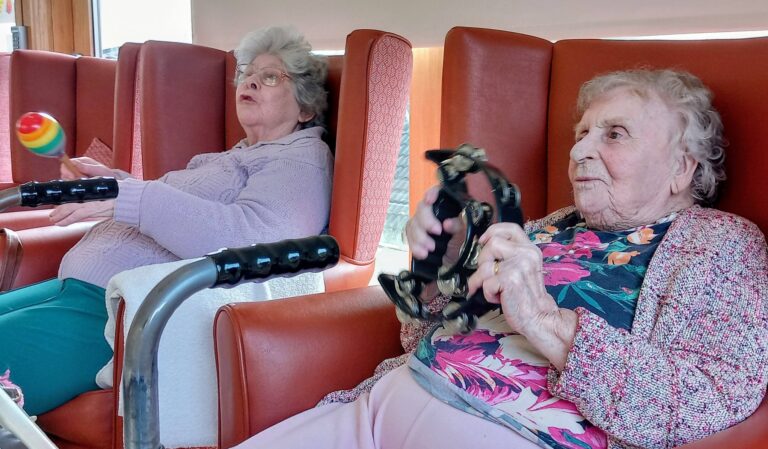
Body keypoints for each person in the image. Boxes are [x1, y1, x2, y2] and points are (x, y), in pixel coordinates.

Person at [233, 69, 768, 449]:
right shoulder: (549, 226)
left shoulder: (719, 245)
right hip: (375, 409)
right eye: (581, 135)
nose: (580, 152)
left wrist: (546, 321)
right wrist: (433, 268)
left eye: (615, 135)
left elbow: (708, 398)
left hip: (511, 430)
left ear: (681, 168)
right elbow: (423, 336)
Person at [0, 25, 333, 417]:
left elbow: (252, 241)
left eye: (271, 76)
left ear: (306, 108)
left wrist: (130, 198)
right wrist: (113, 185)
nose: (252, 81)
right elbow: (163, 207)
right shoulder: (226, 158)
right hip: (77, 290)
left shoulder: (300, 161)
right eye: (248, 73)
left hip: (120, 316)